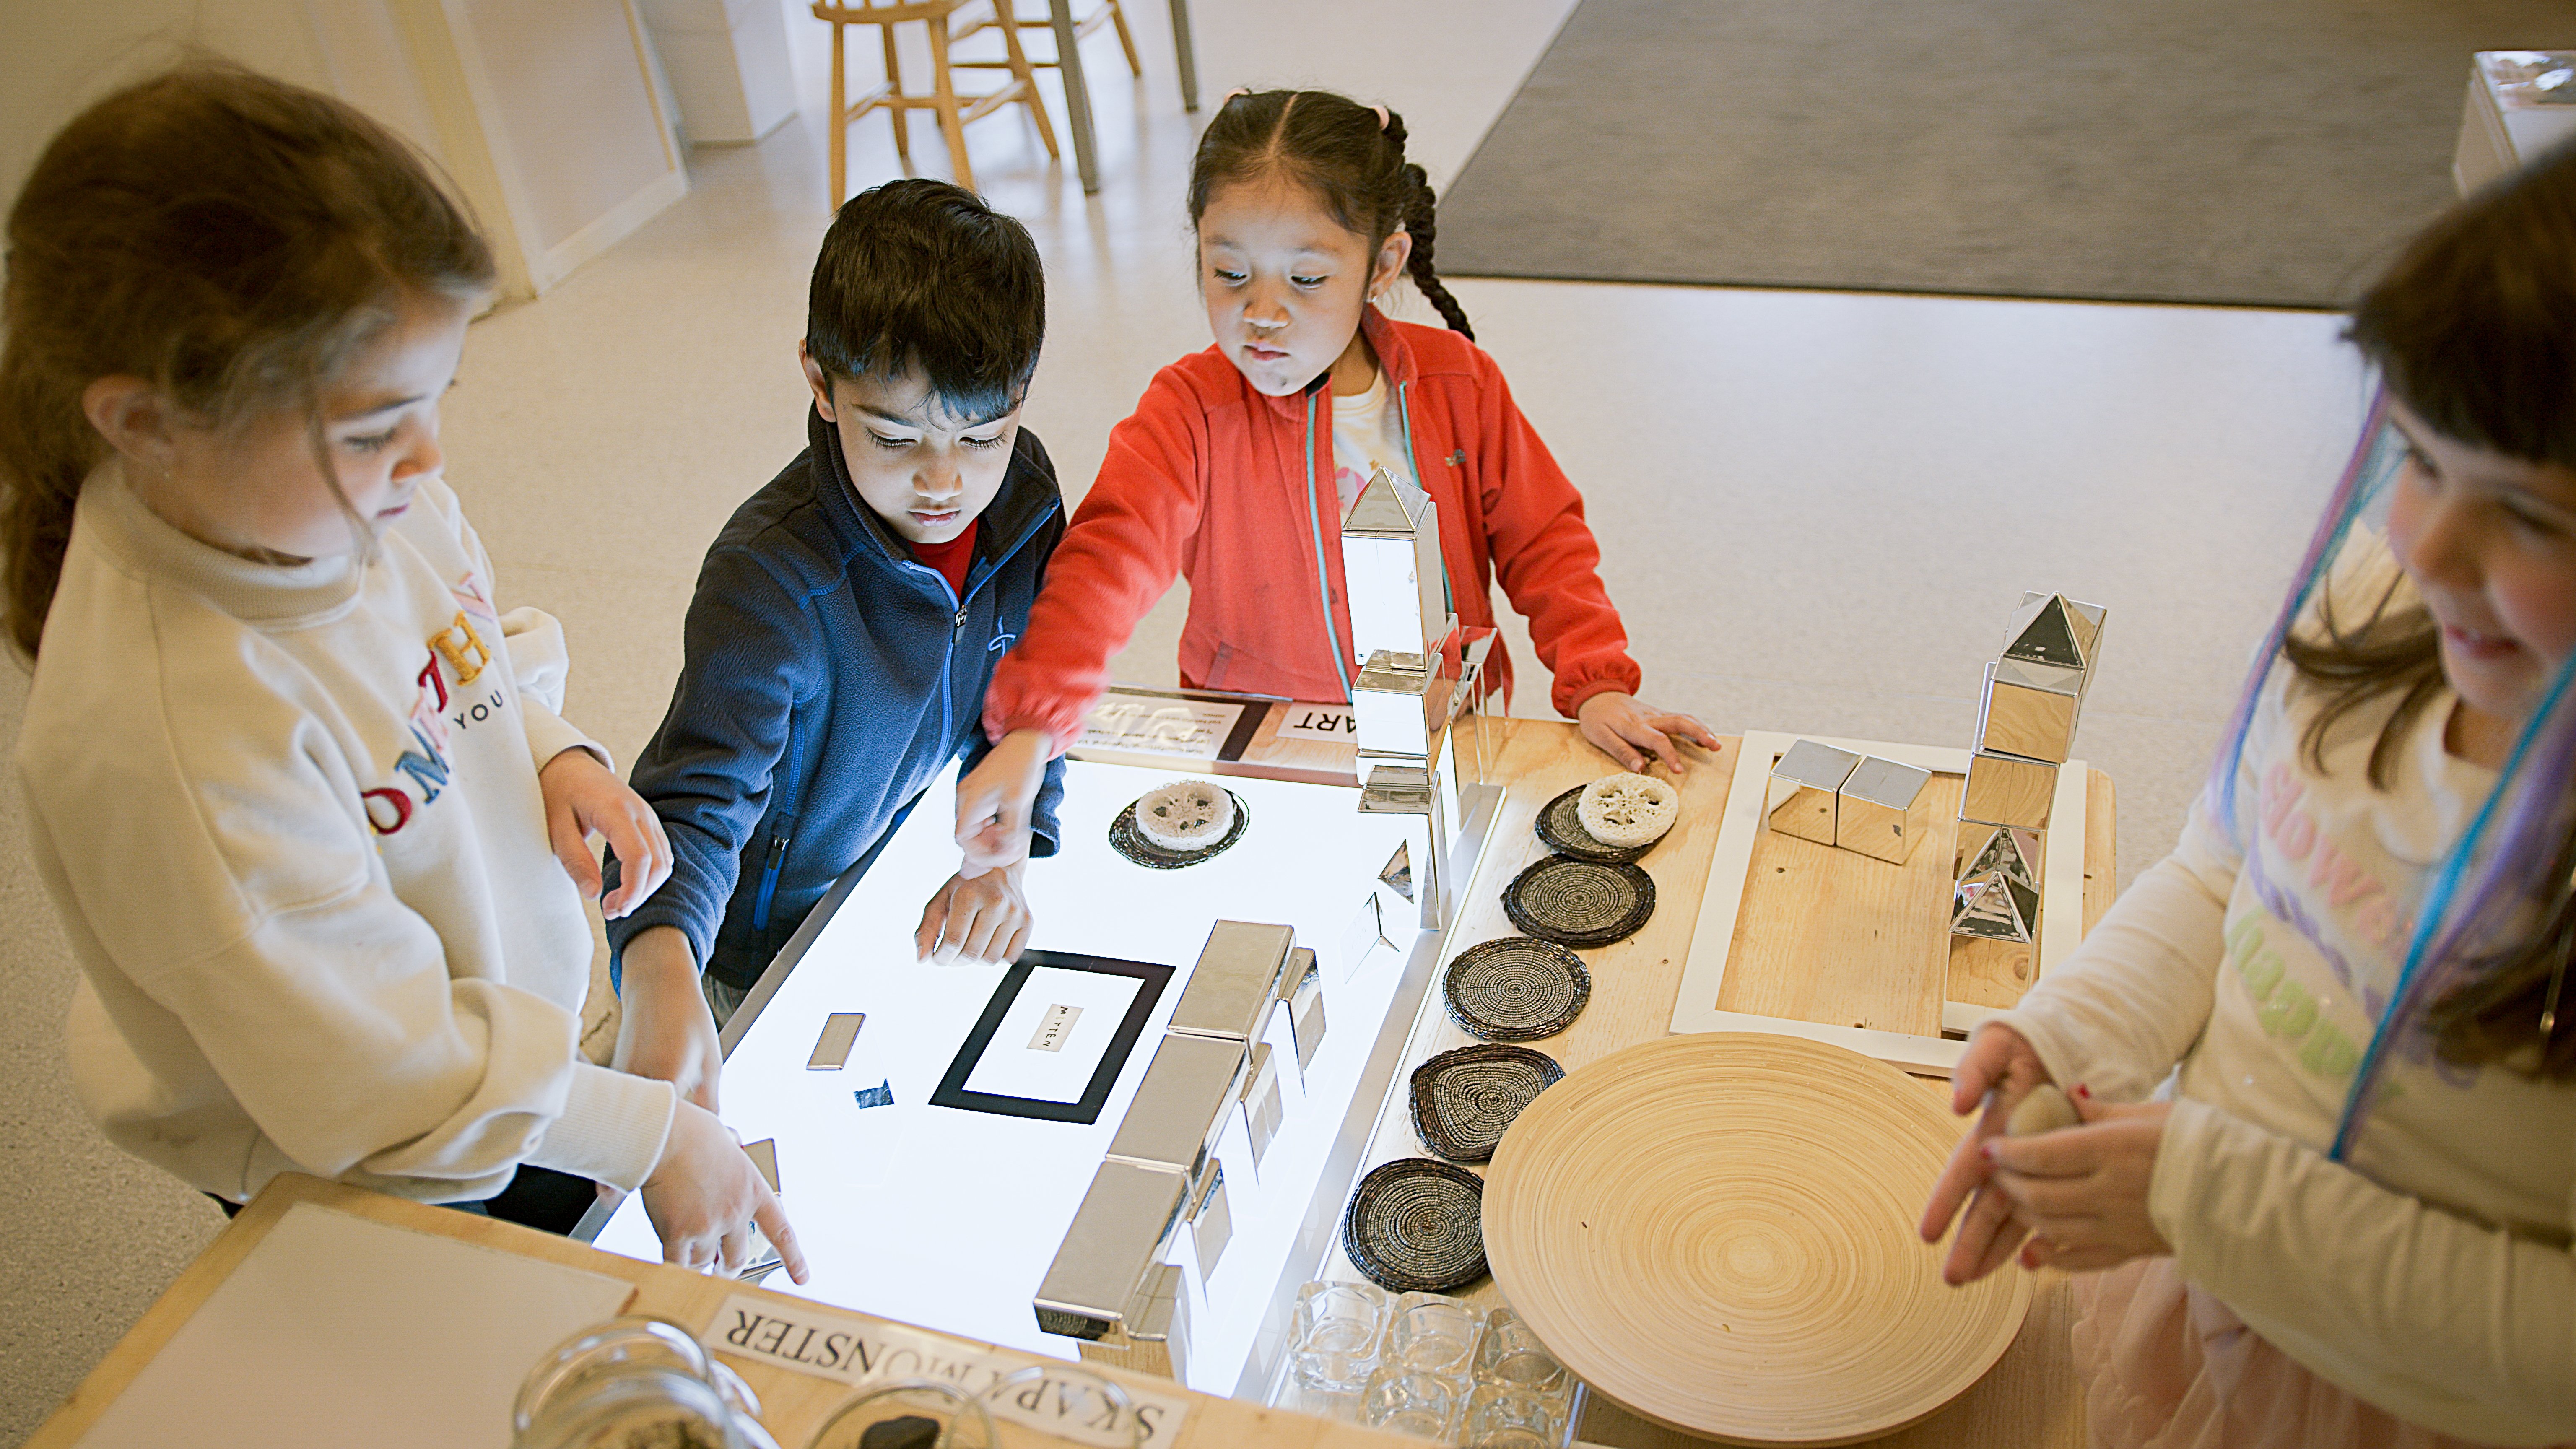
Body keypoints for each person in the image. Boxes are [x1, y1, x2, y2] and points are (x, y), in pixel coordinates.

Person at [0, 67, 801, 1281]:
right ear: (147, 424)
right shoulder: (167, 733)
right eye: (378, 427)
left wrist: (549, 747)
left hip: (502, 1051)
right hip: (369, 1153)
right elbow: (384, 1082)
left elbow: (458, 642)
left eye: (437, 401)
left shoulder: (367, 495)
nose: (429, 456)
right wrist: (649, 1134)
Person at [1919, 141, 2576, 1447]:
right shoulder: (2385, 608)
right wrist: (2081, 1026)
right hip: (2212, 1284)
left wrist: (2211, 1197)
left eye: (2529, 515)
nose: (2424, 546)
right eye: (2420, 461)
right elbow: (2231, 869)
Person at [951, 88, 1715, 873]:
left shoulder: (1460, 383)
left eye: (1307, 280)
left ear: (1382, 264)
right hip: (1269, 751)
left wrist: (1595, 681)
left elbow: (1544, 538)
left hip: (1450, 736)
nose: (1263, 314)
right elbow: (1107, 562)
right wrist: (1035, 728)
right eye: (1229, 272)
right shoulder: (1190, 409)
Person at [603, 178, 1065, 1113]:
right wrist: (660, 976)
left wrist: (1008, 848)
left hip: (880, 891)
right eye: (894, 440)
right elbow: (696, 802)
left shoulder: (1021, 494)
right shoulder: (768, 578)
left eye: (983, 436)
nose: (945, 483)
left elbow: (1034, 682)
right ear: (820, 381)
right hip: (747, 946)